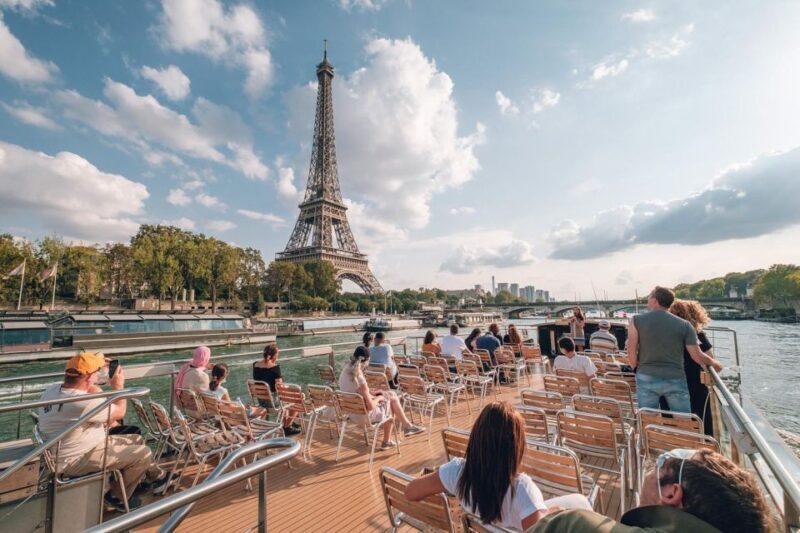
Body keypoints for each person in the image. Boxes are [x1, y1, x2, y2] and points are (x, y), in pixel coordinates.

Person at [405, 402, 591, 531]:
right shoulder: (523, 489)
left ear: (476, 437)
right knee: (581, 503)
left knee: (578, 501)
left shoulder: (456, 472)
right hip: (516, 524)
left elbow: (410, 492)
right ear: (516, 446)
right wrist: (549, 513)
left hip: (484, 523)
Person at [37, 353, 168, 511]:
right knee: (144, 453)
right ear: (90, 377)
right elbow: (120, 412)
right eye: (97, 371)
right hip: (76, 458)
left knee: (136, 439)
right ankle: (116, 496)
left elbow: (87, 388)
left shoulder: (52, 390)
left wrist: (95, 368)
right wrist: (118, 387)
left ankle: (155, 477)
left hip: (68, 449)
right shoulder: (83, 402)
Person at [532, 448, 773, 532]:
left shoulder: (569, 525)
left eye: (657, 465)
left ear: (671, 493)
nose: (650, 470)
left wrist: (549, 516)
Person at [627, 287, 722, 413]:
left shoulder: (636, 320)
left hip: (646, 375)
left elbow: (631, 349)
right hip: (675, 377)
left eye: (649, 297)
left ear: (655, 301)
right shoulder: (685, 325)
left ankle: (653, 432)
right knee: (683, 419)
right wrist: (715, 363)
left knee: (647, 417)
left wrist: (635, 367)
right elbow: (697, 356)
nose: (647, 300)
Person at [339, 346, 423, 448]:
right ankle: (393, 437)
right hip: (364, 417)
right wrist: (380, 398)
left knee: (391, 395)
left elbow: (356, 393)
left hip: (351, 413)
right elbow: (370, 407)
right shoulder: (359, 377)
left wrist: (371, 393)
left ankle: (407, 426)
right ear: (366, 361)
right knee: (390, 401)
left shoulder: (345, 371)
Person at [670, 299, 717, 435]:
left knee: (675, 425)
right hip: (693, 385)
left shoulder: (666, 335)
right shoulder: (697, 334)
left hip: (670, 385)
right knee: (702, 426)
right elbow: (709, 361)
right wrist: (717, 366)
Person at [252, 344, 301, 436]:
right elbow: (280, 387)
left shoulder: (255, 365)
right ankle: (287, 425)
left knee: (284, 399)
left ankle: (285, 424)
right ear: (274, 356)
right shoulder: (275, 368)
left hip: (260, 402)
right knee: (298, 399)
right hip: (273, 404)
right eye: (277, 355)